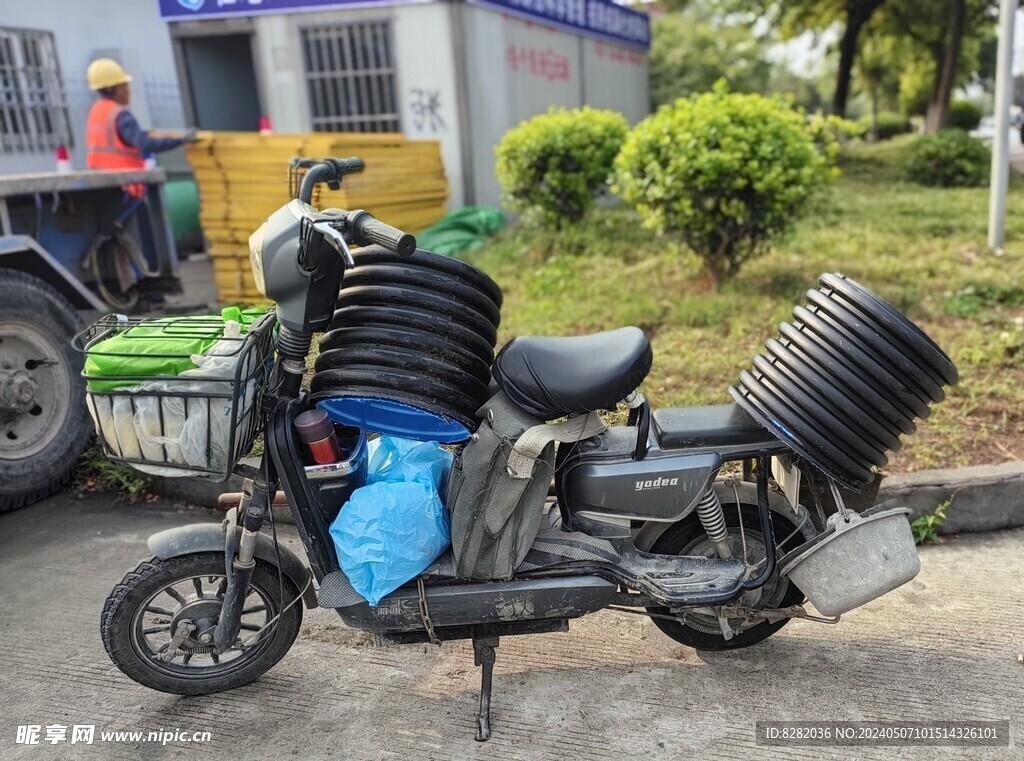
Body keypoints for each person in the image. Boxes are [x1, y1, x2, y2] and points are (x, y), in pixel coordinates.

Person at [85, 58, 196, 186]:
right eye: (125, 86)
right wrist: (182, 139)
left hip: (101, 184)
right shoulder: (119, 114)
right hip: (125, 185)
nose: (128, 91)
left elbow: (120, 138)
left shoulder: (96, 111)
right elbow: (144, 143)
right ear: (114, 89)